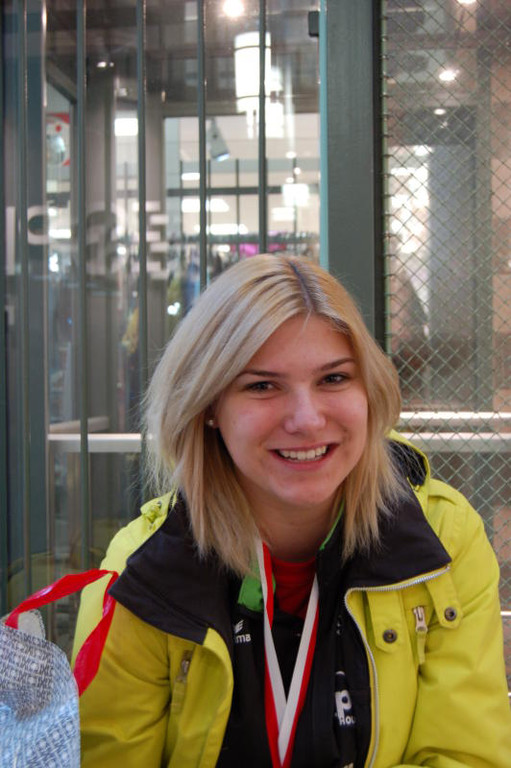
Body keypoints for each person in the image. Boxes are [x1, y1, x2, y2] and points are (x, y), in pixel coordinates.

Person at [73, 254, 511, 768]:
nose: (307, 419)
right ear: (209, 407)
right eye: (262, 385)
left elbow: (466, 756)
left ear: (369, 390)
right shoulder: (139, 575)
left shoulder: (444, 541)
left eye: (334, 379)